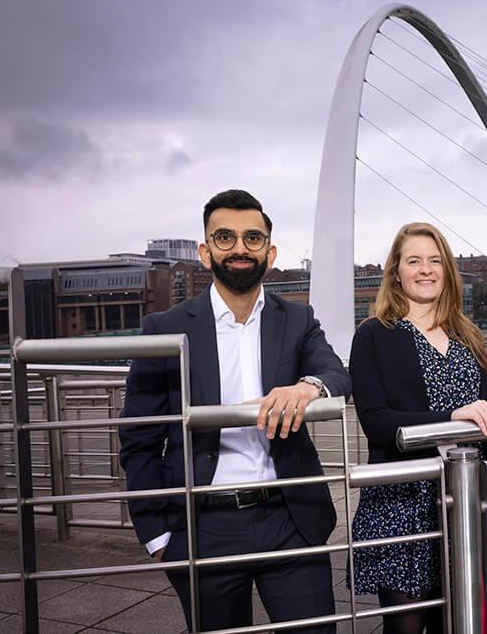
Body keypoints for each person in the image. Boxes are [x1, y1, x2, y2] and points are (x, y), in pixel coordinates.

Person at [119, 189, 350, 633]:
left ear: (271, 251)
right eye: (225, 238)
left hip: (290, 517)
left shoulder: (298, 320)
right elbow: (139, 438)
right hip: (203, 524)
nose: (240, 248)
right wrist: (159, 537)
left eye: (252, 238)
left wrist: (307, 386)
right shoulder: (165, 329)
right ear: (205, 252)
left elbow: (334, 371)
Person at [349, 222, 487, 634]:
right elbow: (376, 423)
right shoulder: (372, 336)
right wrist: (452, 416)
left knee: (456, 619)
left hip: (463, 500)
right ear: (395, 271)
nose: (426, 269)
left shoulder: (466, 334)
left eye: (435, 260)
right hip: (401, 503)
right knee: (405, 626)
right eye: (414, 260)